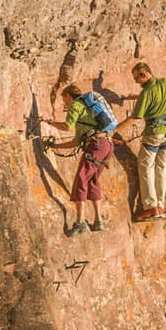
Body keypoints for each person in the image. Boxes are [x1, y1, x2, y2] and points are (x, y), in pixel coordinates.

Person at [49, 74, 117, 235]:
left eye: (64, 99)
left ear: (68, 96)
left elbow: (67, 126)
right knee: (92, 181)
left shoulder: (76, 105)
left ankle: (80, 222)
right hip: (105, 145)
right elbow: (76, 141)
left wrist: (49, 122)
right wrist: (54, 146)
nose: (64, 103)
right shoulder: (87, 113)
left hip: (96, 145)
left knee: (81, 178)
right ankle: (98, 221)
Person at [116, 61, 166, 221]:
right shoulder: (165, 83)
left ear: (144, 75)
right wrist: (136, 97)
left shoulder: (146, 93)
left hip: (154, 133)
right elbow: (156, 97)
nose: (136, 82)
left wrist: (113, 130)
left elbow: (135, 118)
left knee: (145, 166)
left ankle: (151, 207)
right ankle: (160, 205)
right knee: (162, 167)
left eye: (137, 79)